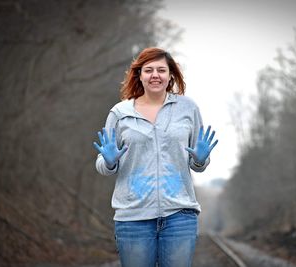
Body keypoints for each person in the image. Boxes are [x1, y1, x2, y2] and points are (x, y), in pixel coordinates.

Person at [93, 47, 218, 267]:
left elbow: (198, 163)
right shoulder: (120, 113)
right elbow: (103, 164)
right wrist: (110, 162)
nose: (155, 75)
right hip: (133, 216)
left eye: (161, 70)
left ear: (171, 75)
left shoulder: (188, 109)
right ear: (139, 75)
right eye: (148, 70)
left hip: (180, 214)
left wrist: (200, 159)